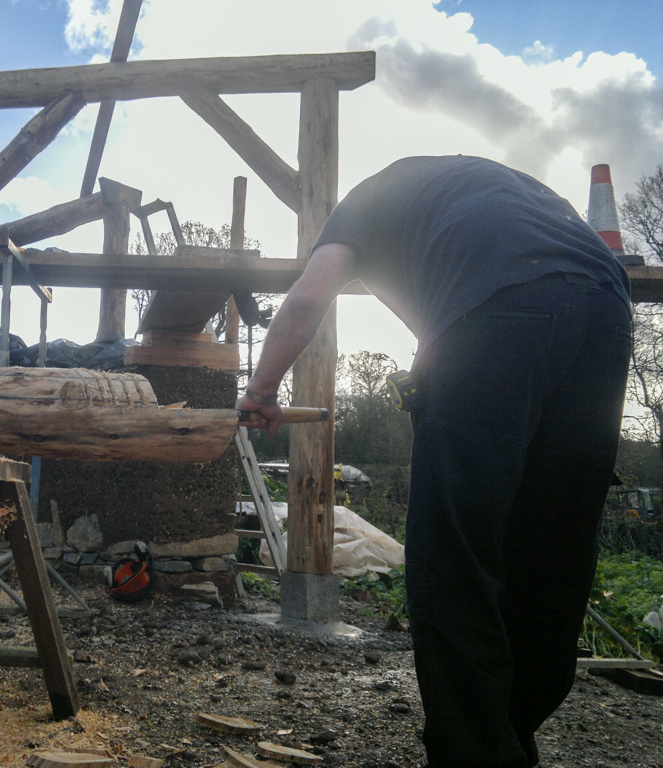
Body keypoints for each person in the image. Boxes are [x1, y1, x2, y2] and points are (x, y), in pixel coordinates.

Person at [236, 156, 632, 768]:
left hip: (495, 315)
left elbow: (304, 301)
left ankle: (472, 753)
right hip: (606, 311)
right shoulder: (495, 189)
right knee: (553, 550)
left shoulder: (363, 200)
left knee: (453, 554)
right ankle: (512, 737)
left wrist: (261, 392)